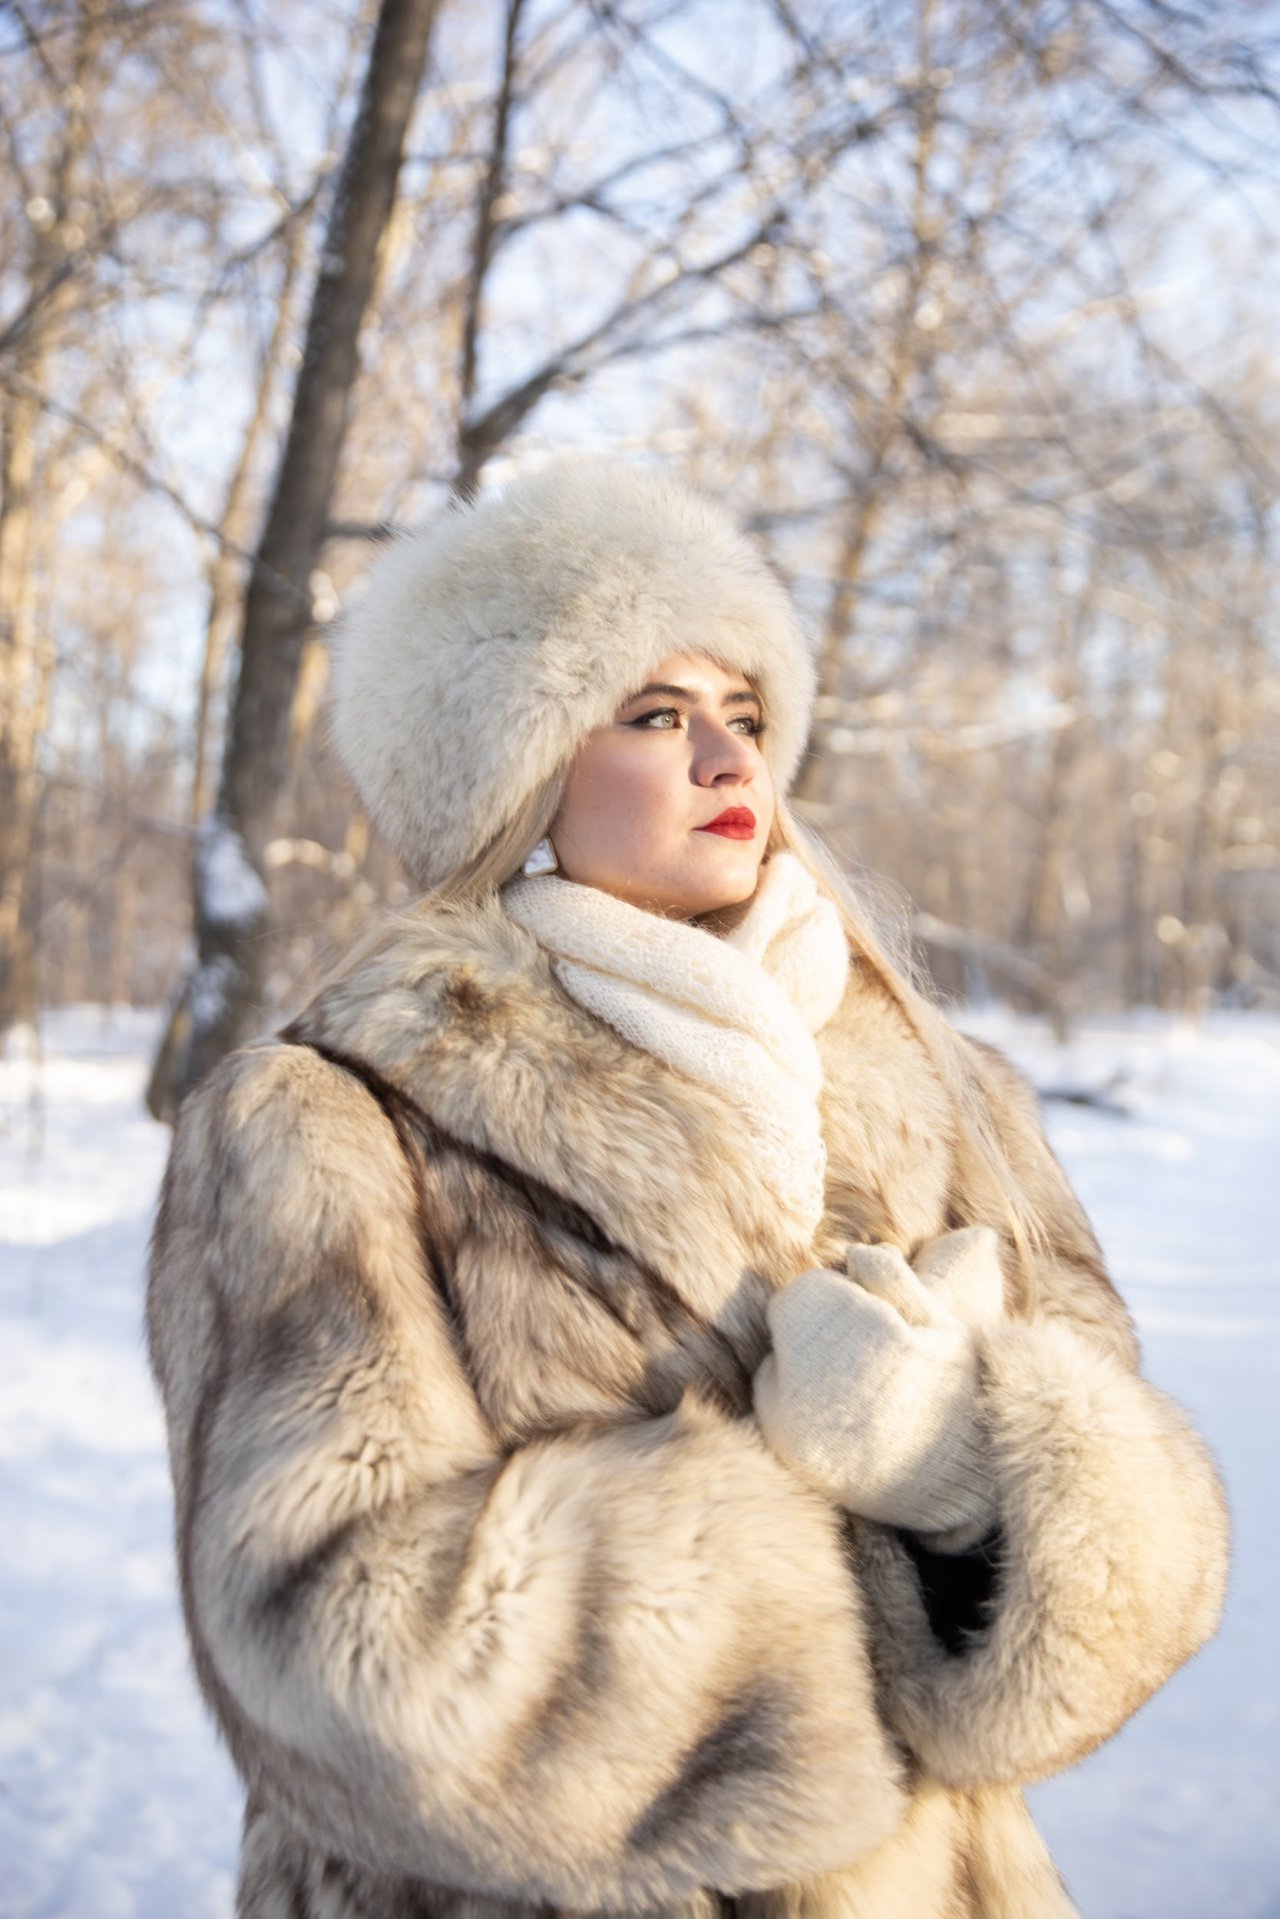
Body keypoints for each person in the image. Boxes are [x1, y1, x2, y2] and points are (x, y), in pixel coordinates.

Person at [147, 460, 1228, 1919]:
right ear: (511, 772)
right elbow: (336, 1644)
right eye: (656, 715)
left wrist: (954, 1465)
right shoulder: (326, 1117)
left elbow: (1138, 1574)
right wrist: (816, 1540)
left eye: (748, 716)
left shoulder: (945, 1085)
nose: (730, 762)